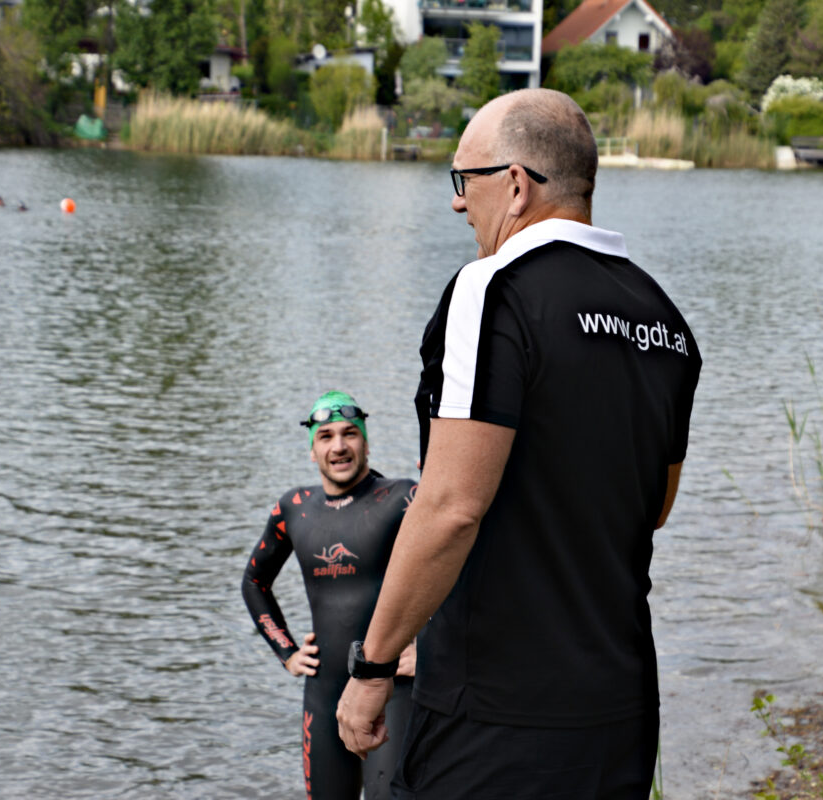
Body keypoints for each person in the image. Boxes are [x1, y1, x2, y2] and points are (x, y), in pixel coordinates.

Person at [336, 88, 702, 799]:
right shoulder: (663, 318)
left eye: (461, 180)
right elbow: (651, 506)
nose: (454, 203)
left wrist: (373, 667)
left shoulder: (492, 289)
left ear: (513, 183)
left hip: (499, 712)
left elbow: (450, 506)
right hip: (620, 704)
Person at [242, 391, 417, 800]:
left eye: (350, 434)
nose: (338, 446)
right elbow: (254, 583)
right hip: (322, 694)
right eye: (326, 437)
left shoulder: (402, 499)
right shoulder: (294, 508)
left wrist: (425, 647)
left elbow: (458, 571)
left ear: (366, 443)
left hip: (392, 688)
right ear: (312, 450)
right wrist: (286, 651)